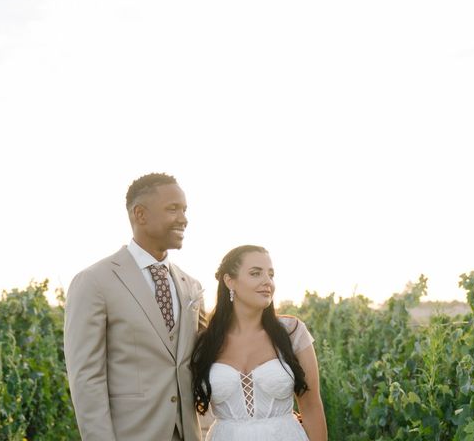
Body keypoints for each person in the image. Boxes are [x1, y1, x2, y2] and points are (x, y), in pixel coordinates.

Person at [64, 173, 206, 441]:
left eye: (185, 209)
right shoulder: (94, 282)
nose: (184, 218)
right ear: (140, 214)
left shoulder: (192, 286)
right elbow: (86, 378)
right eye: (173, 208)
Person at [190, 245, 327, 441]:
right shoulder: (206, 342)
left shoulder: (291, 332)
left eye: (271, 275)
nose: (267, 282)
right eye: (256, 273)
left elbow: (312, 406)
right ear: (230, 281)